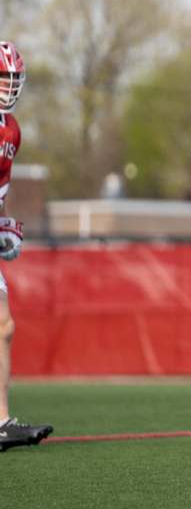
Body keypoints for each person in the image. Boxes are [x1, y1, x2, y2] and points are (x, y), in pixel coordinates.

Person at [0, 41, 54, 451]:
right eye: (4, 77)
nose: (10, 85)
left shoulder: (11, 129)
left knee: (4, 327)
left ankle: (1, 421)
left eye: (14, 78)